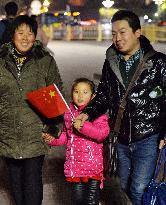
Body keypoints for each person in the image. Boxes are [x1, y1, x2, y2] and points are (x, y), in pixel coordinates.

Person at [73, 10, 166, 205]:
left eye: (122, 32)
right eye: (114, 33)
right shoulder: (111, 62)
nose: (117, 38)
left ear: (137, 33)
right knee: (123, 185)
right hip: (120, 135)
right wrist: (87, 113)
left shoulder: (159, 63)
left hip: (148, 136)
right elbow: (104, 94)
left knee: (139, 187)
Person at [0, 15, 63, 205]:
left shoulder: (44, 60)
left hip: (35, 133)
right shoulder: (1, 61)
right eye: (21, 33)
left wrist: (53, 128)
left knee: (33, 183)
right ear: (12, 36)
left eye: (30, 33)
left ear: (35, 36)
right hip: (8, 132)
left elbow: (56, 94)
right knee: (16, 185)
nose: (25, 38)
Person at [42, 77, 110, 205]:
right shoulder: (69, 115)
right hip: (76, 168)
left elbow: (101, 134)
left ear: (93, 96)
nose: (80, 96)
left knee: (91, 201)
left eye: (85, 92)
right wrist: (52, 140)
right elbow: (65, 137)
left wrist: (83, 126)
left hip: (93, 169)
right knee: (77, 201)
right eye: (76, 91)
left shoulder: (98, 115)